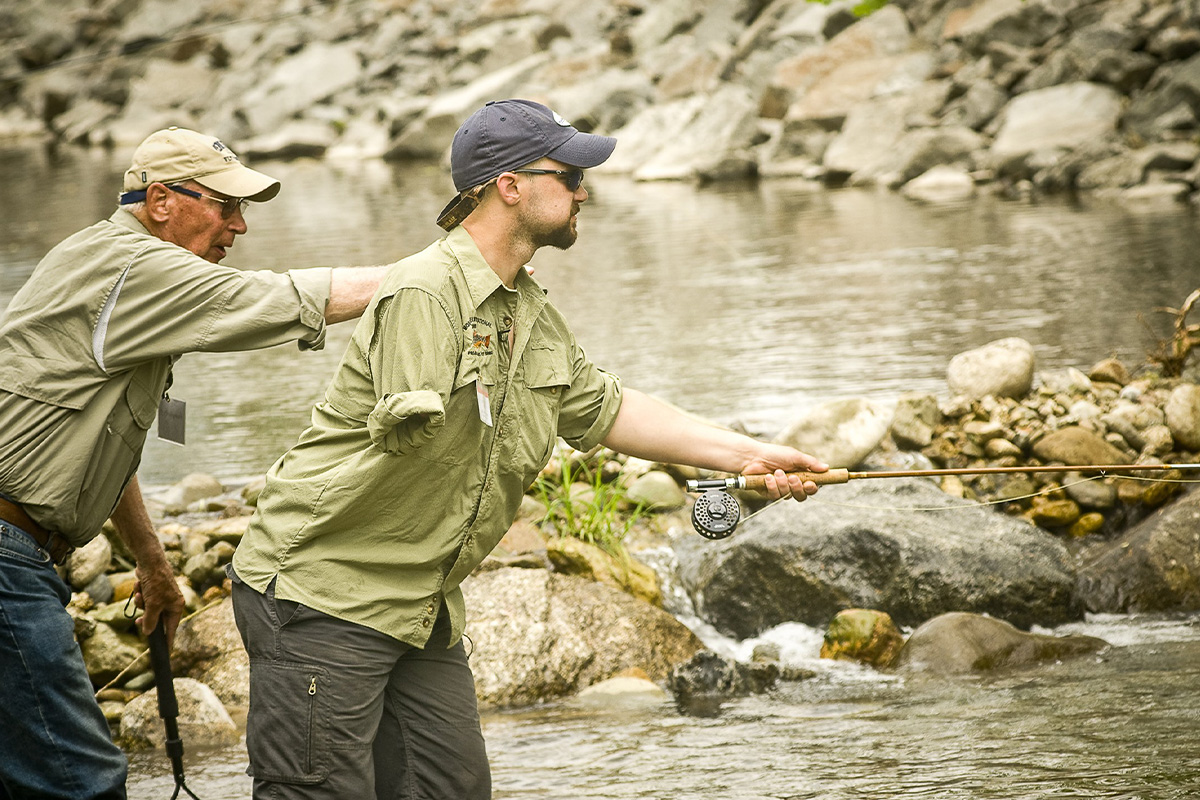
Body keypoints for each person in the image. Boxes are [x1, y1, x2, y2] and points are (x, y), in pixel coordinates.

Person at [230, 98, 828, 799]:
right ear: (509, 186)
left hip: (421, 602)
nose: (584, 191)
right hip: (323, 594)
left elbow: (609, 409)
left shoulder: (526, 308)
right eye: (570, 175)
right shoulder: (426, 289)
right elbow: (407, 427)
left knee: (453, 788)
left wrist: (750, 455)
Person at [0, 126, 386, 800]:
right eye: (224, 206)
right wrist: (453, 272)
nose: (239, 227)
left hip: (20, 552)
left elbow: (94, 443)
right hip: (7, 561)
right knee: (80, 781)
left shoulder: (110, 263)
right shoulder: (134, 269)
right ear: (160, 202)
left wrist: (152, 562)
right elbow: (277, 299)